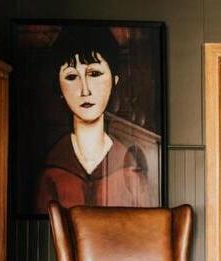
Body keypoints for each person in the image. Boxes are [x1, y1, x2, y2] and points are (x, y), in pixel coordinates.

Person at [35, 26, 150, 213]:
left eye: (94, 74)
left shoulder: (129, 169)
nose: (85, 90)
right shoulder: (51, 170)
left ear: (114, 80)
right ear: (59, 87)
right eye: (72, 76)